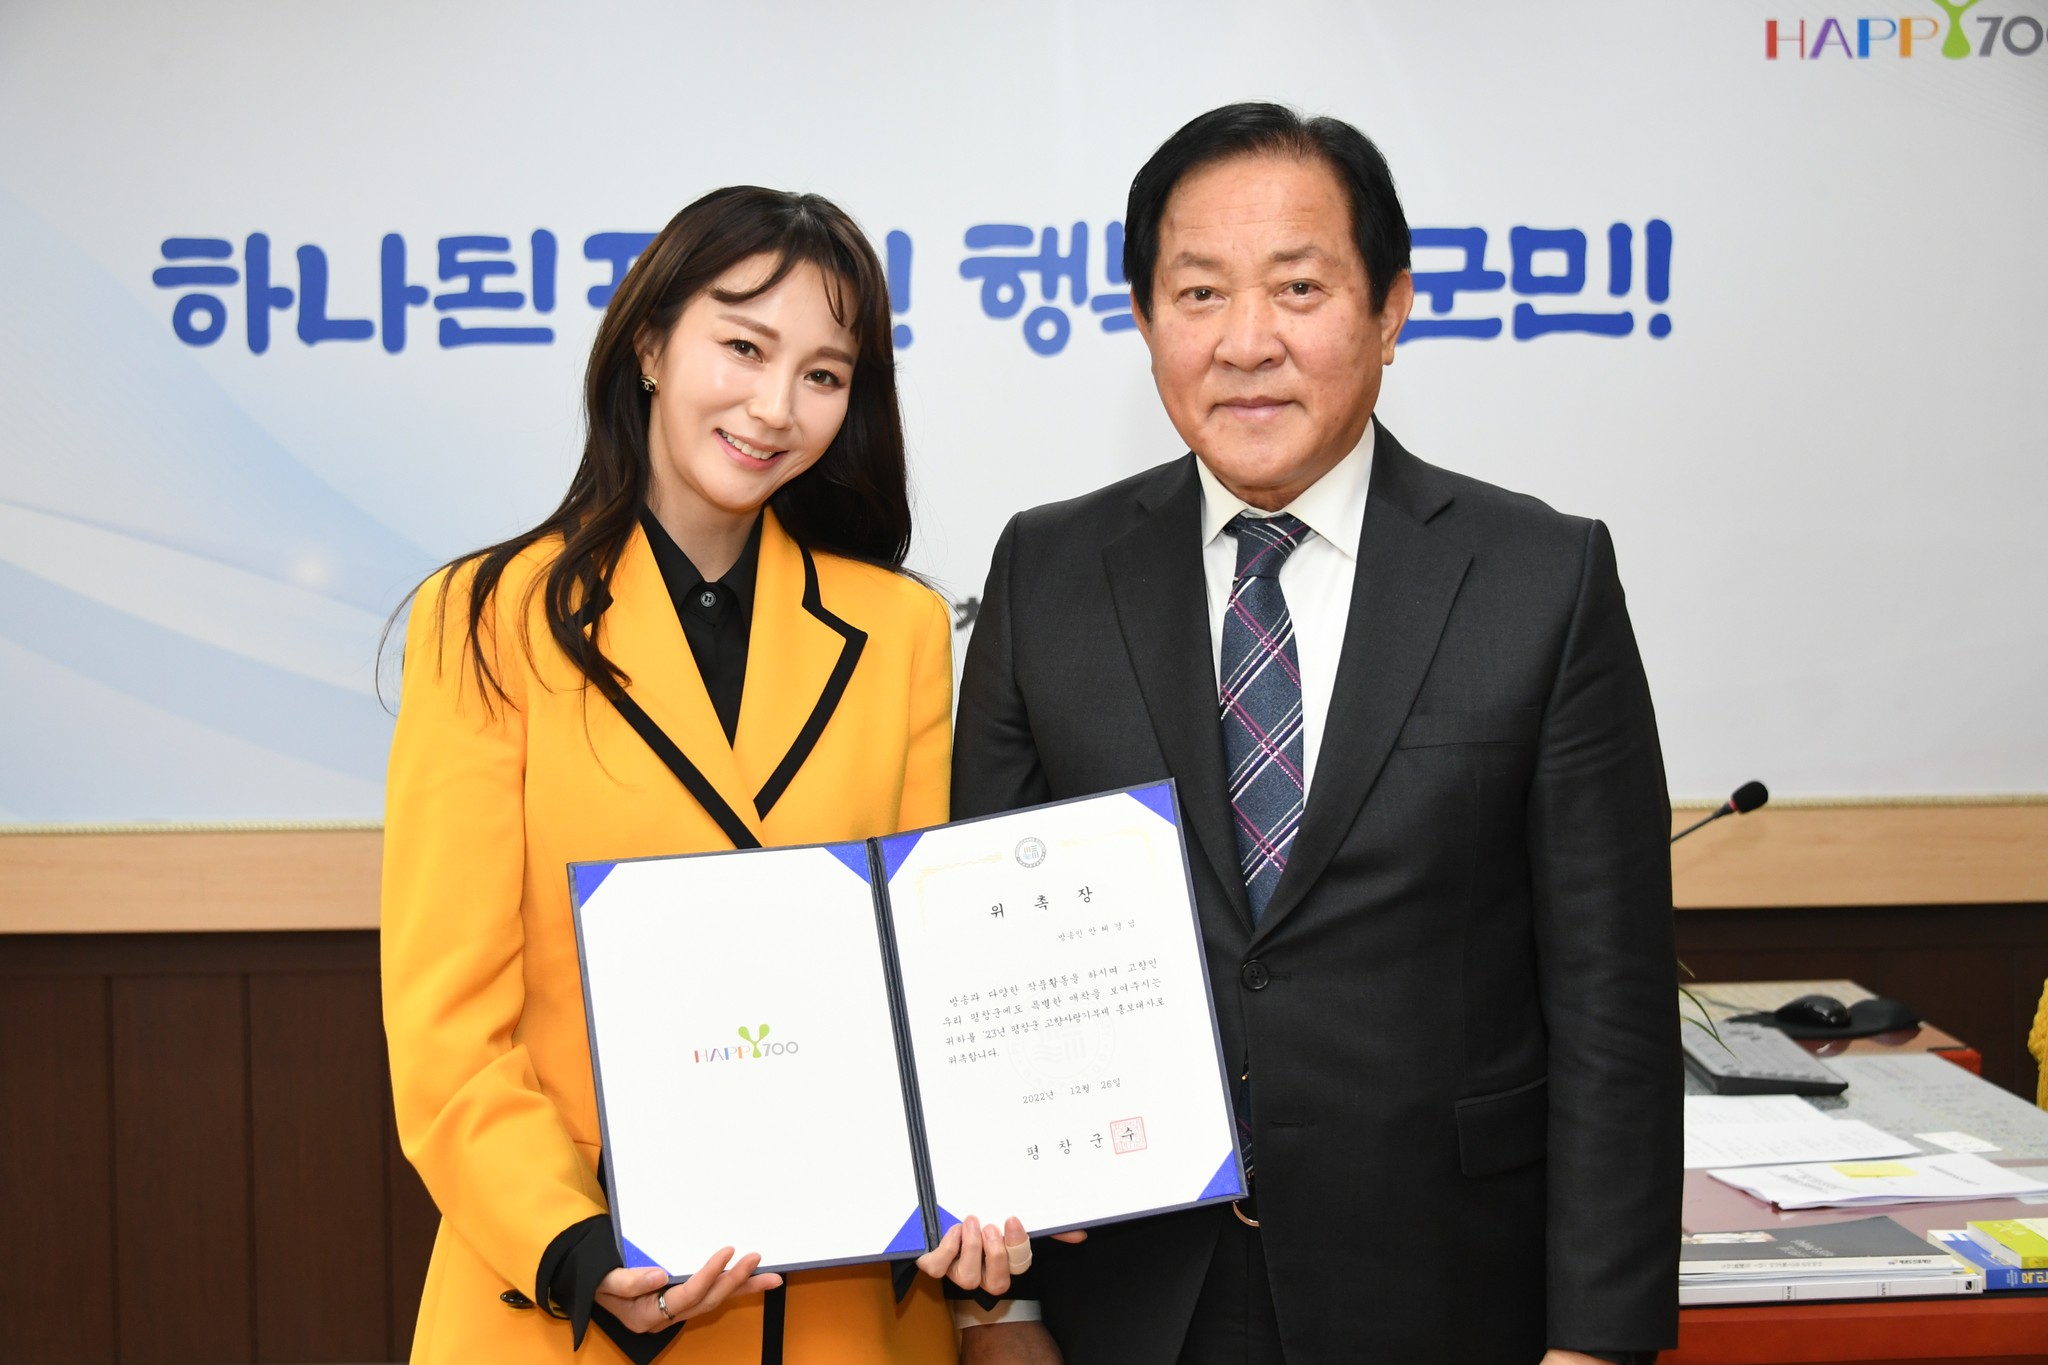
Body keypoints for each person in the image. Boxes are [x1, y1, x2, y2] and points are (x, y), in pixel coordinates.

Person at [949, 104, 1682, 1364]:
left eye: (1298, 288)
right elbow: (981, 960)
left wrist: (1595, 1344)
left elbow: (1610, 1004)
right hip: (1132, 1301)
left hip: (1446, 1296)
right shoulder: (1047, 569)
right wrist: (1001, 1311)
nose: (1246, 342)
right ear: (1144, 321)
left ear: (1389, 311)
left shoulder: (1537, 578)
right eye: (1197, 293)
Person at [382, 186, 991, 1364]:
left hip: (836, 1309)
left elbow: (920, 984)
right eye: (744, 347)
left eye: (823, 374)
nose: (775, 407)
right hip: (570, 1299)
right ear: (651, 345)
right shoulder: (487, 620)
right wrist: (574, 1246)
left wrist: (981, 1171)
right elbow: (446, 1026)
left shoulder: (900, 631)